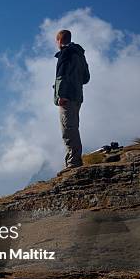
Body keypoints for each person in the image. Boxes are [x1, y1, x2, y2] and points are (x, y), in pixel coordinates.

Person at [54, 29, 90, 173]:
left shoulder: (66, 53)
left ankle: (73, 162)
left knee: (68, 129)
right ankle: (74, 160)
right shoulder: (79, 54)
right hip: (77, 96)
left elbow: (60, 76)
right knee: (73, 127)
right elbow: (86, 78)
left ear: (59, 40)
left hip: (66, 97)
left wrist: (60, 96)